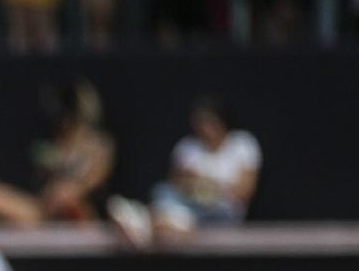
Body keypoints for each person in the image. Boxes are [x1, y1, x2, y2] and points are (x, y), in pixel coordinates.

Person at [105, 96, 261, 247]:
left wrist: (208, 184)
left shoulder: (242, 144)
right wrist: (191, 184)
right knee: (162, 192)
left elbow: (245, 192)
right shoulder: (187, 148)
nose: (204, 127)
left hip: (220, 211)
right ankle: (153, 222)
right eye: (200, 122)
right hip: (185, 206)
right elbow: (175, 184)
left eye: (209, 121)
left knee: (168, 228)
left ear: (221, 120)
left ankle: (144, 222)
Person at [0, 80, 115, 226]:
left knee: (67, 197)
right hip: (43, 212)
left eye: (70, 117)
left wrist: (69, 191)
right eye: (61, 117)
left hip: (81, 212)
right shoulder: (53, 143)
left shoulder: (101, 145)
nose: (64, 122)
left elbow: (92, 182)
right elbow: (42, 186)